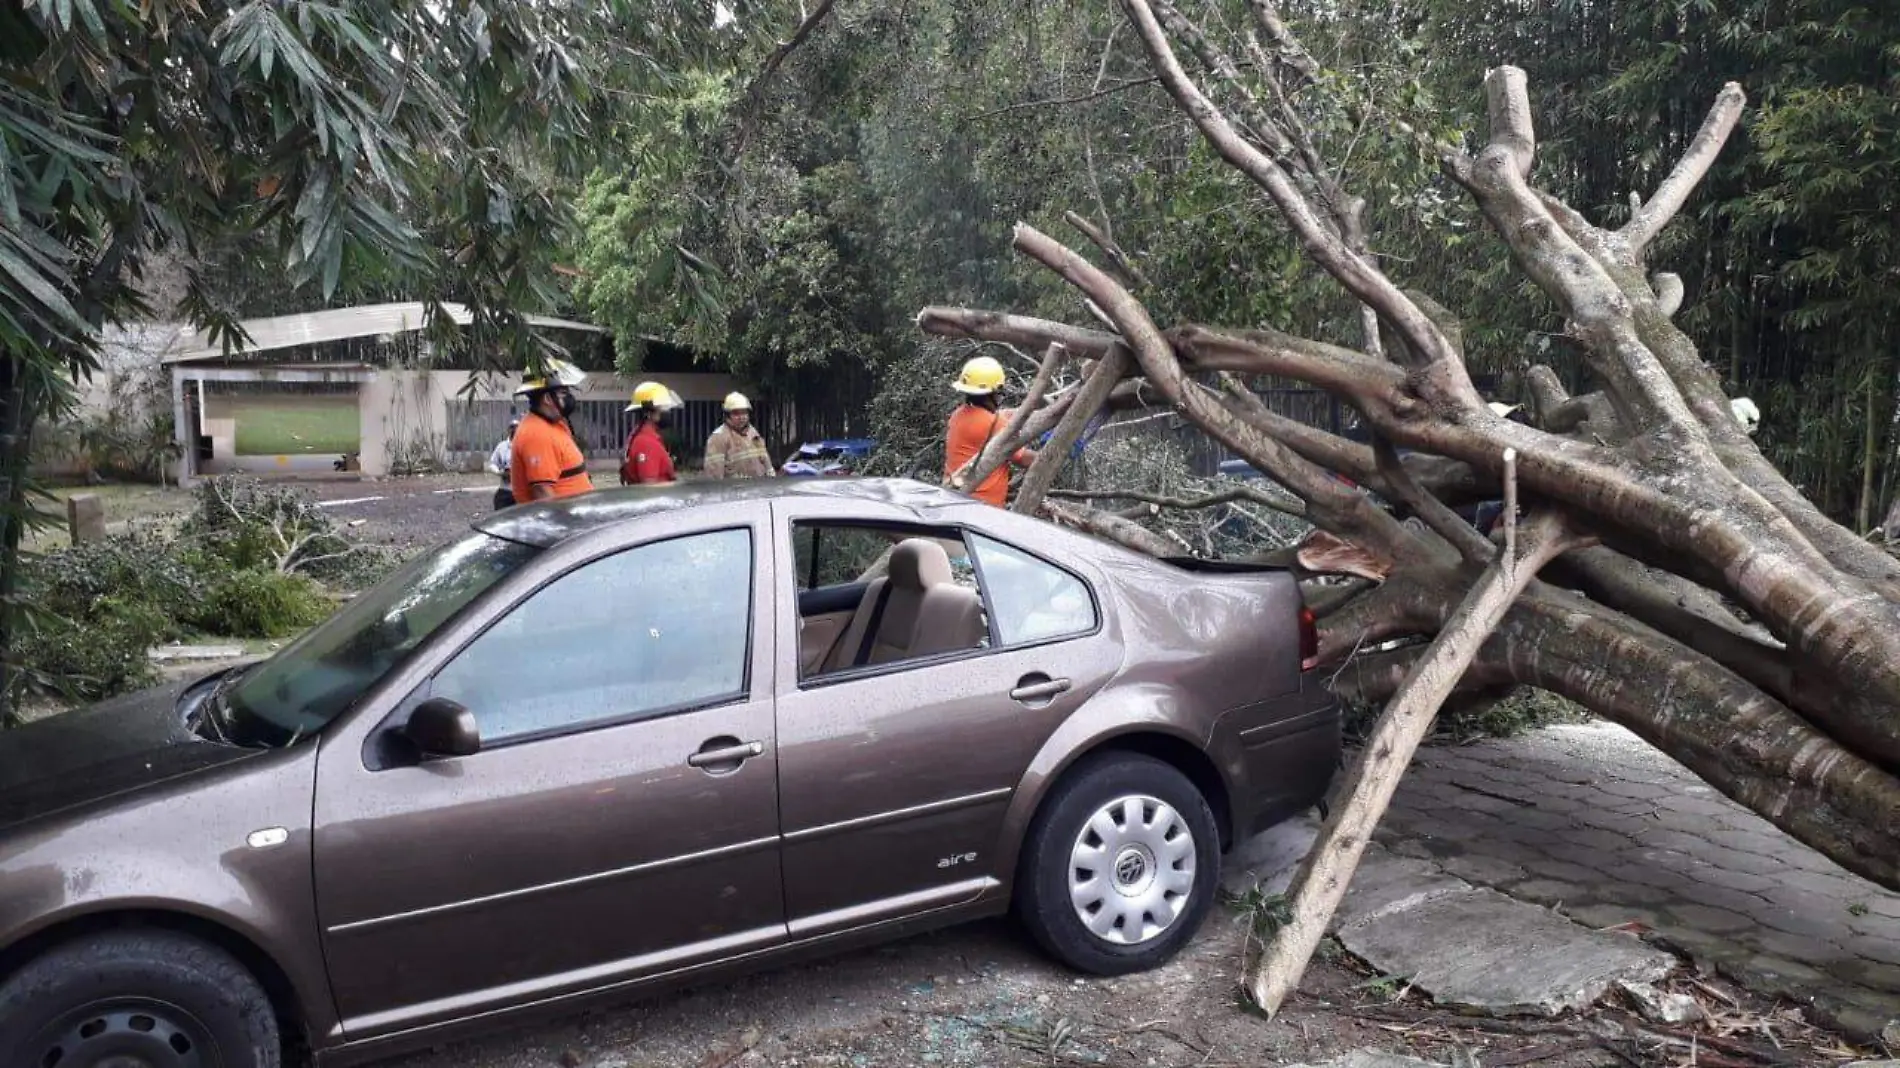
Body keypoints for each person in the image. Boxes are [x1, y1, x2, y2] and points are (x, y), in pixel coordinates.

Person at [943, 355, 1036, 507]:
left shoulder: (958, 415)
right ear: (994, 392)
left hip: (956, 499)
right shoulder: (994, 423)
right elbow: (1024, 459)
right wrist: (1056, 453)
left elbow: (995, 417)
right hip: (983, 509)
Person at [509, 360, 595, 504]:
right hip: (565, 522)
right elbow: (543, 492)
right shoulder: (536, 434)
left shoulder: (554, 425)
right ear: (548, 398)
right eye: (563, 392)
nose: (569, 397)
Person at [621, 380, 683, 485]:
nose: (667, 411)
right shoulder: (646, 443)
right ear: (648, 413)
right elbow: (649, 488)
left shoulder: (646, 437)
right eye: (662, 407)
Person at [703, 392, 773, 479]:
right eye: (736, 414)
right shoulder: (718, 438)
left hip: (758, 488)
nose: (741, 417)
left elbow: (765, 460)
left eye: (744, 413)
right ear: (727, 416)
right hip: (733, 490)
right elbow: (714, 474)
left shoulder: (752, 432)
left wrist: (771, 477)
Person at [486, 417, 520, 510]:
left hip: (521, 491)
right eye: (512, 427)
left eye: (517, 427)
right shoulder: (501, 447)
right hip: (506, 489)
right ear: (508, 429)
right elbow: (492, 463)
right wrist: (499, 472)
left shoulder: (526, 445)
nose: (515, 430)